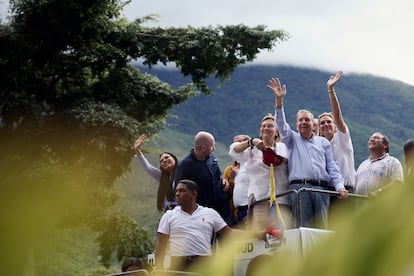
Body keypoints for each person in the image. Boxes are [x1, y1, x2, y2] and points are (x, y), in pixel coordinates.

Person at [267, 76, 348, 229]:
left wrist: (340, 187)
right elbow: (281, 125)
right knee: (303, 229)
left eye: (307, 120)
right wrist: (279, 102)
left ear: (313, 125)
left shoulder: (323, 142)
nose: (304, 122)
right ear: (296, 125)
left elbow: (332, 167)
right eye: (301, 120)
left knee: (322, 229)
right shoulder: (292, 139)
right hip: (300, 190)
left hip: (322, 190)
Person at [154, 179, 267, 272]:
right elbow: (161, 245)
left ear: (194, 194)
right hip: (178, 266)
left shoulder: (209, 213)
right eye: (177, 191)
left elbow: (230, 233)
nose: (177, 194)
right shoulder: (169, 216)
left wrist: (257, 234)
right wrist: (159, 268)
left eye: (182, 191)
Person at [229, 114, 292, 230]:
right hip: (259, 198)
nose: (266, 128)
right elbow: (234, 151)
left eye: (270, 126)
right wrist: (252, 142)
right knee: (260, 235)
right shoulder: (252, 150)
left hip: (281, 198)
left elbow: (292, 164)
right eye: (263, 126)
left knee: (282, 233)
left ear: (277, 132)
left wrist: (279, 158)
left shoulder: (284, 147)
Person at [175, 131, 232, 225]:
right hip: (203, 211)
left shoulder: (211, 157)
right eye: (212, 146)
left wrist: (224, 180)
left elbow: (218, 174)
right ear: (203, 148)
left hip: (222, 207)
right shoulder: (186, 166)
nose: (214, 149)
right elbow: (179, 190)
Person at [318, 71, 356, 193]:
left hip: (346, 189)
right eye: (322, 123)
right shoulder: (319, 145)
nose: (325, 125)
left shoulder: (342, 139)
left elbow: (338, 117)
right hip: (326, 190)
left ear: (335, 126)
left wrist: (331, 90)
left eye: (329, 122)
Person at [134, 134, 177, 212]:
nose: (164, 160)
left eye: (167, 157)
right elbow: (149, 168)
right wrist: (137, 150)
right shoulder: (163, 177)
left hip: (182, 213)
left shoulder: (184, 173)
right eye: (161, 161)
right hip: (169, 213)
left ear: (174, 159)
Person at [231, 134, 251, 227]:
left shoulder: (251, 162)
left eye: (239, 142)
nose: (236, 146)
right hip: (240, 208)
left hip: (248, 206)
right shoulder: (241, 166)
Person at [222, 160, 240, 225]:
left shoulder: (250, 169)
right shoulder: (229, 169)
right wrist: (230, 179)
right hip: (231, 206)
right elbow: (225, 189)